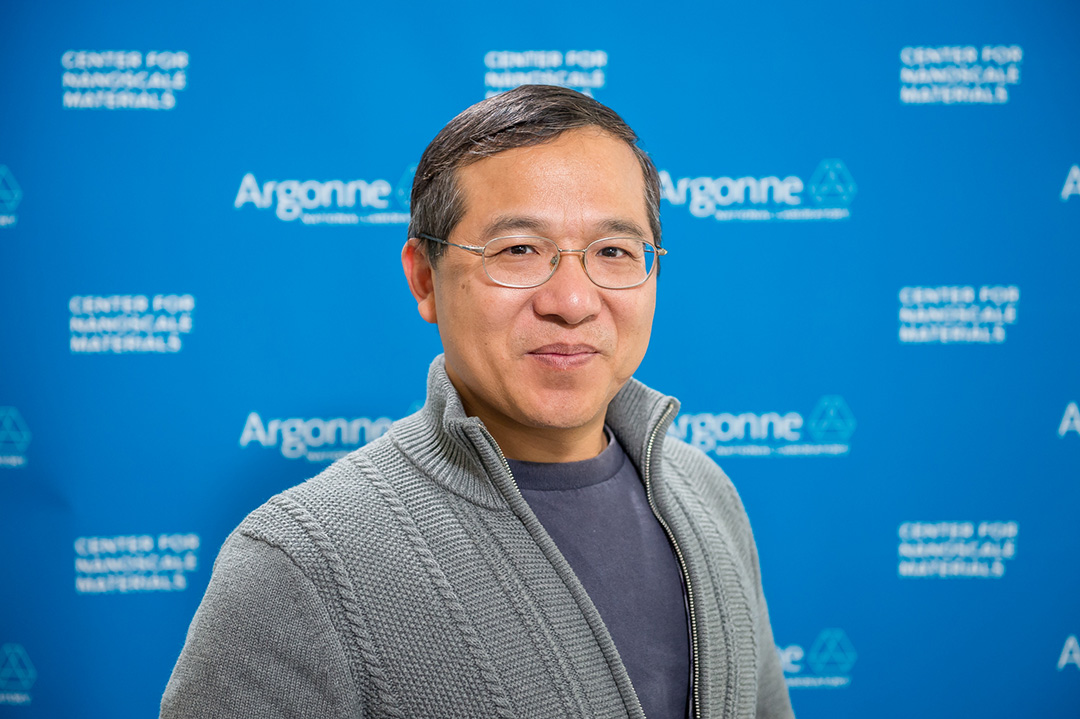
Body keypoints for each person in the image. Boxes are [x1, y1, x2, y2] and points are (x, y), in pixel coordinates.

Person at [161, 84, 793, 719]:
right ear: (424, 278)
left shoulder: (706, 495)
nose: (572, 302)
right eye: (518, 250)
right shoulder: (298, 565)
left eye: (613, 252)